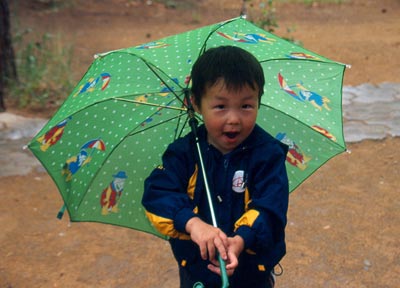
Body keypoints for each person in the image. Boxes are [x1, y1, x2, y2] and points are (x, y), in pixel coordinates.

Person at [142, 46, 289, 288]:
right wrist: (193, 224)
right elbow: (157, 194)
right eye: (220, 107)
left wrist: (242, 239)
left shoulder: (267, 154)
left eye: (246, 106)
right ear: (195, 103)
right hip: (196, 271)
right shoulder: (183, 154)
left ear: (259, 102)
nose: (233, 119)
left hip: (252, 272)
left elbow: (272, 207)